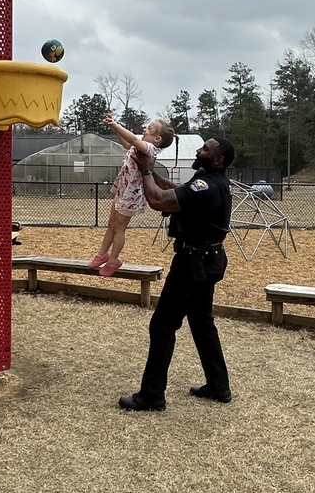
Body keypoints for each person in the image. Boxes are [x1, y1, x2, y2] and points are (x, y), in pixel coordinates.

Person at [118, 136, 235, 412]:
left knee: (162, 325)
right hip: (209, 261)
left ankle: (152, 395)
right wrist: (151, 169)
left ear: (218, 159)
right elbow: (177, 190)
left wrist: (146, 171)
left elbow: (159, 200)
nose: (199, 150)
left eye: (206, 149)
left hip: (191, 264)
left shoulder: (206, 185)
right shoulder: (211, 181)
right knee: (201, 321)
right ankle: (219, 386)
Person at [88, 113, 176, 277]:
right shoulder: (140, 147)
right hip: (123, 187)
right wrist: (116, 130)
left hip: (131, 194)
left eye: (149, 128)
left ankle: (114, 261)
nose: (145, 129)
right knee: (111, 225)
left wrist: (115, 125)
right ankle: (102, 254)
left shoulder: (150, 149)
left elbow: (134, 141)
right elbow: (128, 144)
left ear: (157, 139)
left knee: (119, 228)